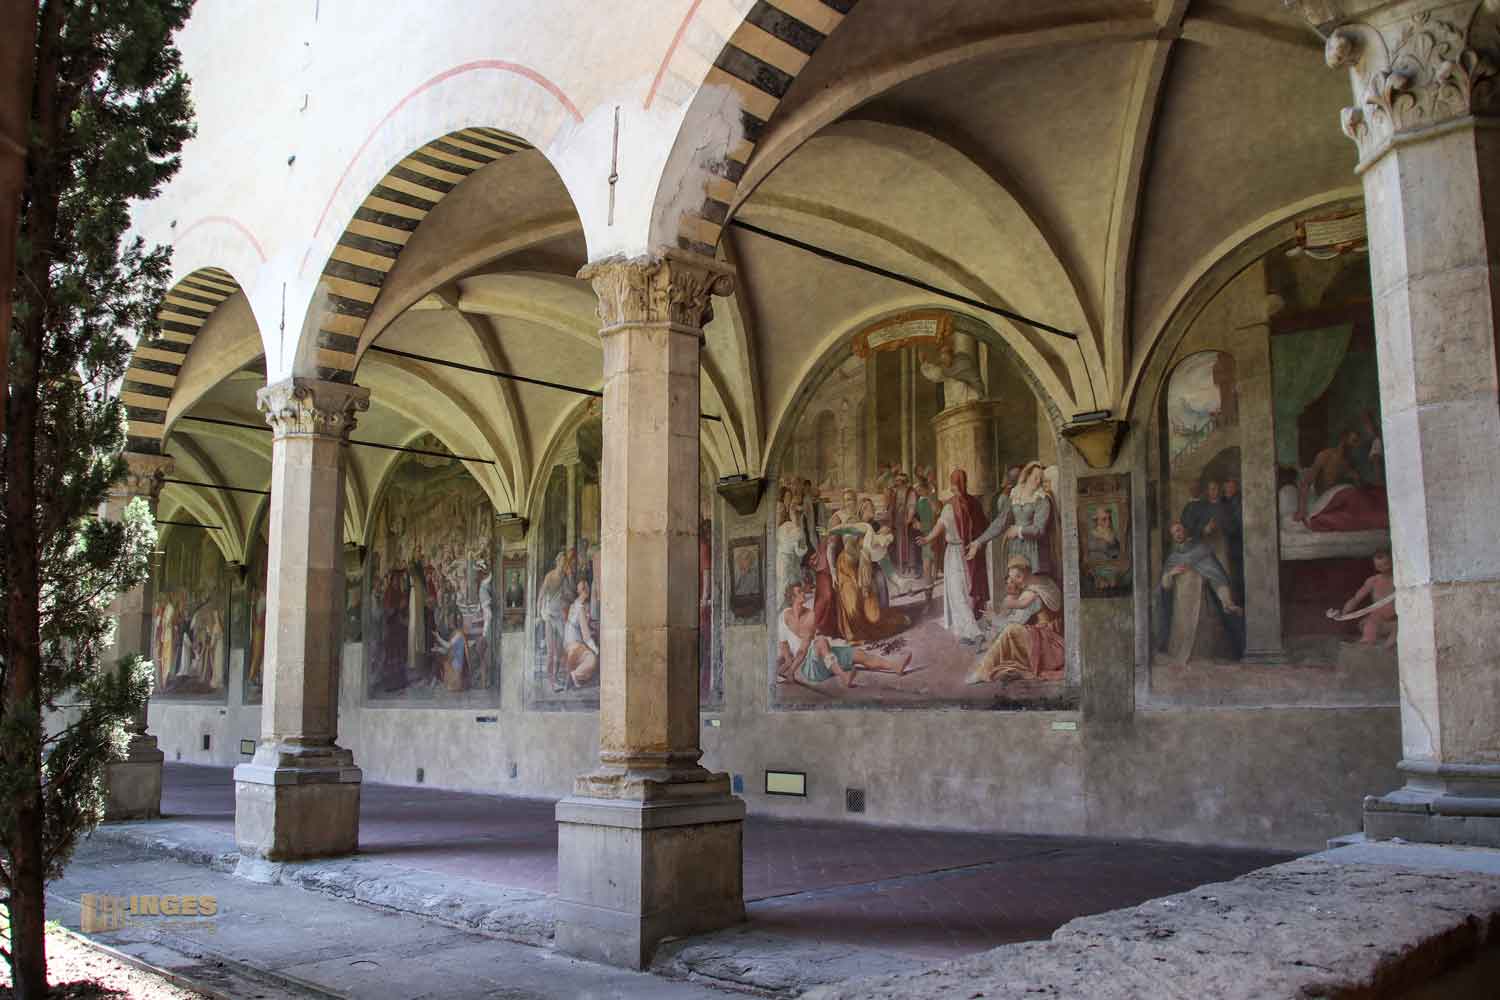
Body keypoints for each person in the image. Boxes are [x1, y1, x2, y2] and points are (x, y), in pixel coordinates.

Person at [776, 581, 912, 688]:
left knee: (859, 654)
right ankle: (844, 677)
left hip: (821, 654)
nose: (803, 593)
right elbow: (786, 646)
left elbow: (803, 648)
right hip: (811, 667)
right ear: (792, 598)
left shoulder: (811, 616)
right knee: (821, 641)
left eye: (802, 590)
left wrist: (790, 671)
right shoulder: (783, 616)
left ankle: (895, 666)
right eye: (799, 592)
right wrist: (788, 666)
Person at [1155, 521, 1244, 657]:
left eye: (1178, 530)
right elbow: (1165, 586)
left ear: (1185, 530)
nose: (1177, 535)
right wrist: (1170, 574)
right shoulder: (1173, 558)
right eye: (1173, 533)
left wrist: (1227, 601)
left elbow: (1217, 578)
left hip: (1199, 603)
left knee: (1201, 649)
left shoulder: (1202, 551)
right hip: (1180, 606)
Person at [969, 556, 1065, 683]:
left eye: (1017, 577)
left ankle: (983, 671)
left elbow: (1016, 622)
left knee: (1011, 630)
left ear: (1026, 573)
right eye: (1012, 578)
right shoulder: (1045, 581)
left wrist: (994, 619)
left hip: (1047, 644)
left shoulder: (1030, 594)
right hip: (1055, 636)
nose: (1015, 582)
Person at [918, 468, 987, 641]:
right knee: (967, 590)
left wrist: (927, 539)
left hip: (955, 554)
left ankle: (974, 632)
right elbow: (984, 526)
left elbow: (939, 527)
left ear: (953, 484)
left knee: (957, 593)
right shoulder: (974, 503)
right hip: (970, 552)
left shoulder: (950, 506)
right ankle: (966, 632)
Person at [968, 461, 1053, 579]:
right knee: (1014, 582)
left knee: (1030, 584)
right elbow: (1000, 522)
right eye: (1035, 477)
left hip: (1034, 550)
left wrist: (1018, 530)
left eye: (1041, 478)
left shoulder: (1042, 499)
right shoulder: (1015, 495)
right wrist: (978, 542)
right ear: (1027, 476)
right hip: (1015, 547)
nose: (1038, 481)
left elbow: (1039, 529)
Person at [1331, 550, 1397, 647]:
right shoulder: (1373, 581)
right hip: (1377, 620)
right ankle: (1366, 644)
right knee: (1370, 625)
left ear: (1392, 561)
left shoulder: (1400, 579)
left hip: (1396, 621)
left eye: (1385, 564)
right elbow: (1355, 599)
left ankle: (1388, 647)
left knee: (1397, 632)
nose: (1383, 568)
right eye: (1379, 566)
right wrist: (1343, 614)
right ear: (1375, 566)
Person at [562, 579, 599, 688]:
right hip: (575, 645)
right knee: (592, 659)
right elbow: (586, 635)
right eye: (588, 591)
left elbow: (577, 626)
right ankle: (575, 675)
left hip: (567, 645)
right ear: (586, 591)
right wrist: (596, 649)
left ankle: (575, 677)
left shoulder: (574, 605)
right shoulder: (580, 608)